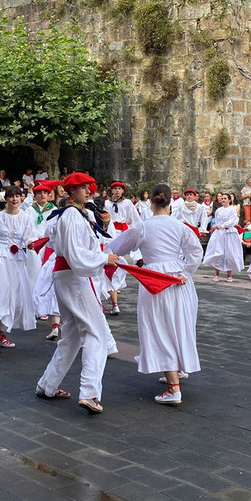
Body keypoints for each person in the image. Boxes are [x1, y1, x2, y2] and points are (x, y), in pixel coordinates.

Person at [110, 184, 203, 405]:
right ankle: (177, 369)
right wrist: (184, 272)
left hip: (154, 279)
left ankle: (173, 388)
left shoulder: (143, 227)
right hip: (177, 279)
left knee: (159, 327)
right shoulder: (180, 226)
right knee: (179, 324)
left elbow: (116, 247)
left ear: (150, 202)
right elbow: (196, 252)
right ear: (171, 203)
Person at [37, 172, 120, 414]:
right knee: (96, 334)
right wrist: (104, 258)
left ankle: (47, 384)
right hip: (74, 277)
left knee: (72, 336)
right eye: (83, 187)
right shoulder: (72, 215)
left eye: (88, 187)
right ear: (71, 191)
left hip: (68, 276)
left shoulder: (72, 214)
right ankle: (89, 392)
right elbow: (76, 253)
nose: (88, 191)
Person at [0, 186, 39, 355]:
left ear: (21, 198)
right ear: (6, 199)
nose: (14, 199)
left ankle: (0, 335)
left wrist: (30, 244)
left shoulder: (26, 217)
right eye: (11, 196)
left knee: (15, 297)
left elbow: (29, 238)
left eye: (17, 196)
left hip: (16, 260)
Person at [28, 183, 61, 340]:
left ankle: (44, 307)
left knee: (46, 276)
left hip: (48, 244)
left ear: (49, 195)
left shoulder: (54, 210)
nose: (42, 195)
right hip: (34, 243)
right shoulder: (29, 209)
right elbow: (26, 226)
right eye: (39, 193)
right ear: (34, 196)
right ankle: (34, 307)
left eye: (45, 193)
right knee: (34, 274)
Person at [103, 181, 140, 315]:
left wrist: (135, 231)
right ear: (112, 191)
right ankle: (113, 287)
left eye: (119, 189)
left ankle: (115, 285)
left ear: (123, 191)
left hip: (123, 232)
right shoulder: (107, 204)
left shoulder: (128, 203)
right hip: (110, 233)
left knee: (118, 260)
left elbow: (134, 219)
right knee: (112, 259)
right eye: (115, 189)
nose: (117, 191)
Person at [203, 193, 242, 282]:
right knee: (218, 253)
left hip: (229, 233)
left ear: (229, 200)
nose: (223, 200)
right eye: (222, 198)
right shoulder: (218, 210)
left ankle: (229, 275)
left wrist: (223, 226)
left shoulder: (232, 210)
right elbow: (217, 221)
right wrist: (218, 226)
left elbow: (232, 221)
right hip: (219, 233)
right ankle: (217, 274)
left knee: (229, 254)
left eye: (225, 198)